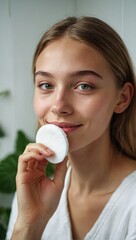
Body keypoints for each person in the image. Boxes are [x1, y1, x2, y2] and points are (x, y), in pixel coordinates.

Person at [7, 16, 136, 240]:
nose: (58, 106)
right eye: (46, 85)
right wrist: (29, 225)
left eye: (84, 86)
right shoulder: (33, 189)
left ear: (121, 98)